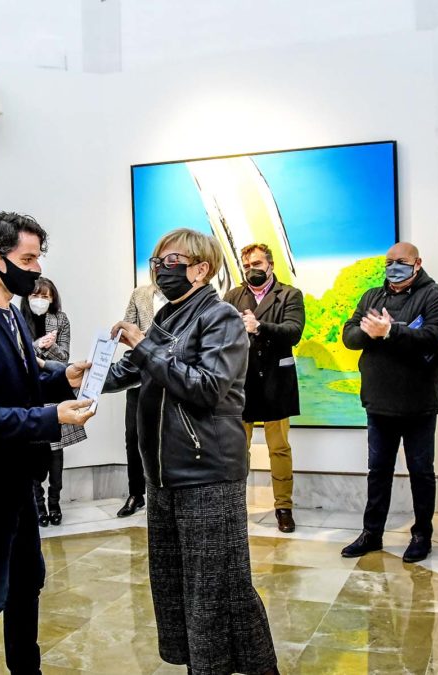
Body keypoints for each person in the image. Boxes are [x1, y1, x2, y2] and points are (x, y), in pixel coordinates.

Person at [104, 228, 278, 675]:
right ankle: (200, 665)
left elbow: (207, 388)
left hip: (207, 471)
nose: (162, 269)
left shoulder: (220, 317)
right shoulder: (169, 316)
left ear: (201, 269)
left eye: (172, 260)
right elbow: (131, 369)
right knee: (178, 584)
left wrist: (143, 347)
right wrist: (72, 377)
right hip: (163, 473)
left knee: (217, 587)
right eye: (158, 261)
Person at [0, 212, 95, 675]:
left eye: (38, 258)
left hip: (18, 484)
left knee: (27, 588)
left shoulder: (10, 314)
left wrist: (62, 381)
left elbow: (22, 388)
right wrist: (51, 418)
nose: (35, 269)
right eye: (27, 259)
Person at [340, 242, 438, 563]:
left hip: (419, 402)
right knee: (378, 471)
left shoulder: (435, 295)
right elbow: (349, 335)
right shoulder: (372, 296)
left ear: (417, 263)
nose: (393, 267)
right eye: (389, 262)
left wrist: (391, 332)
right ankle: (371, 532)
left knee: (421, 471)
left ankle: (422, 535)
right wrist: (371, 333)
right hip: (378, 401)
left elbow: (435, 336)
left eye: (400, 262)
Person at [223, 243, 306, 533]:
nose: (252, 270)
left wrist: (260, 327)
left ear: (270, 264)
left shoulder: (290, 295)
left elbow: (294, 332)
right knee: (236, 449)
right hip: (241, 384)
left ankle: (284, 508)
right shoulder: (233, 295)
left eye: (257, 264)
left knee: (279, 448)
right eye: (247, 266)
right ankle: (233, 506)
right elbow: (220, 333)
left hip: (275, 381)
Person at [21, 276, 86, 527]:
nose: (40, 300)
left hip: (54, 388)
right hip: (29, 391)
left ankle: (55, 503)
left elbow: (64, 357)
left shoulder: (60, 319)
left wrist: (47, 348)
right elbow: (18, 354)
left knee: (56, 450)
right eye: (36, 295)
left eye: (46, 296)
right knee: (34, 448)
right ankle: (37, 506)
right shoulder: (17, 318)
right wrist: (37, 344)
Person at [117, 280, 166, 518]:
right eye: (156, 263)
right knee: (133, 435)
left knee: (165, 435)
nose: (161, 269)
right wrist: (132, 336)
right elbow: (127, 326)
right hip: (139, 375)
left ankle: (164, 493)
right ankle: (136, 493)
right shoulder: (140, 293)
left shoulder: (186, 297)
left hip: (169, 375)